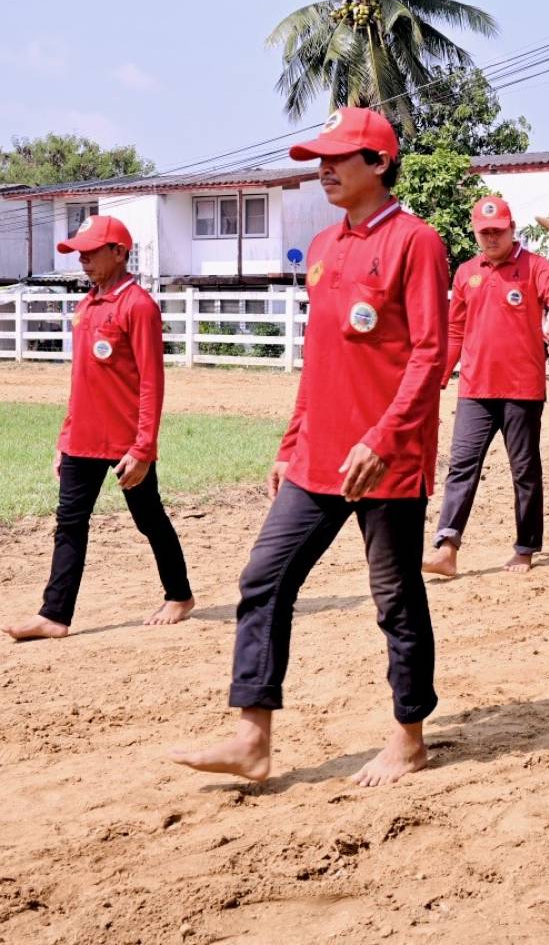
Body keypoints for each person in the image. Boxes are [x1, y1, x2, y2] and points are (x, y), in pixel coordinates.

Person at [171, 107, 447, 785]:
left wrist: (383, 438)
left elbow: (431, 354)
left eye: (338, 157)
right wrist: (291, 442)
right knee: (264, 579)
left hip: (386, 460)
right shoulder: (323, 248)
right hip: (317, 457)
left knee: (395, 597)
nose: (323, 169)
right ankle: (251, 736)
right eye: (318, 158)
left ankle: (408, 735)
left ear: (379, 163)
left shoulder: (416, 242)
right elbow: (320, 358)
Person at [4, 216, 194, 642]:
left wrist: (144, 447)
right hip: (83, 438)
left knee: (149, 519)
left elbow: (151, 383)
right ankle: (54, 614)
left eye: (92, 252)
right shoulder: (86, 306)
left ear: (120, 253)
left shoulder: (139, 306)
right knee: (69, 522)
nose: (84, 260)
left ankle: (180, 596)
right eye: (80, 253)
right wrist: (64, 436)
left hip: (127, 442)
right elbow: (81, 380)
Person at [424, 196, 549, 576]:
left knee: (524, 471)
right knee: (461, 466)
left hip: (523, 390)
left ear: (512, 228)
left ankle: (526, 547)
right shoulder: (466, 272)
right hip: (474, 389)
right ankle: (446, 548)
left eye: (498, 231)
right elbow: (454, 329)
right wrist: (439, 375)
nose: (492, 238)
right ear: (475, 232)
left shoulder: (537, 268)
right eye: (485, 233)